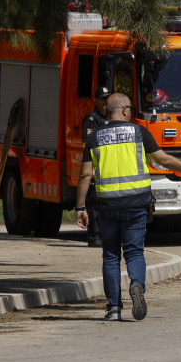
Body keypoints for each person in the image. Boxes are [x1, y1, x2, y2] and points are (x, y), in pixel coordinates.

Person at [75, 93, 181, 321]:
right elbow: (164, 160)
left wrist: (80, 207)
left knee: (110, 256)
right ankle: (137, 286)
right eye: (129, 108)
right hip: (135, 204)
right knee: (134, 252)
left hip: (107, 205)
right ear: (123, 110)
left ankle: (113, 309)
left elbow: (85, 174)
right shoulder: (139, 132)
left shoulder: (95, 137)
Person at [81, 86, 111, 247]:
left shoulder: (112, 118)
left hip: (109, 168)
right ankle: (94, 236)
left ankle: (105, 235)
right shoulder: (91, 120)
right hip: (96, 167)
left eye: (108, 98)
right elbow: (86, 146)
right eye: (103, 98)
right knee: (94, 205)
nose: (106, 101)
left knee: (106, 205)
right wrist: (91, 168)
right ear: (96, 100)